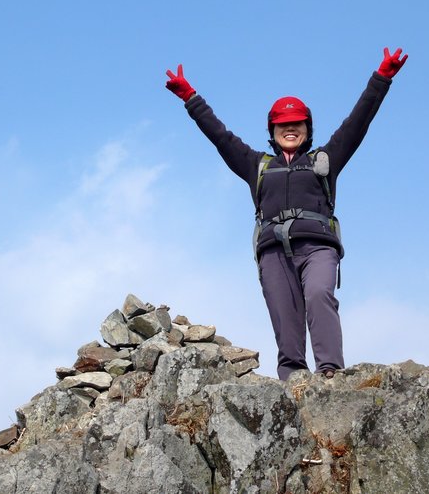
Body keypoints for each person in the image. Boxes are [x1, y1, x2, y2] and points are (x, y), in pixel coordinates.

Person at [164, 48, 407, 380]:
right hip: (273, 252)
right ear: (273, 130)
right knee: (284, 313)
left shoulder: (325, 159)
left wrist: (382, 78)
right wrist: (191, 98)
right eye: (282, 125)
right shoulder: (257, 165)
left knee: (320, 294)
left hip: (318, 246)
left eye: (296, 124)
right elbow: (220, 137)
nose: (289, 129)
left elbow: (358, 121)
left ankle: (330, 373)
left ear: (307, 128)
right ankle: (293, 380)